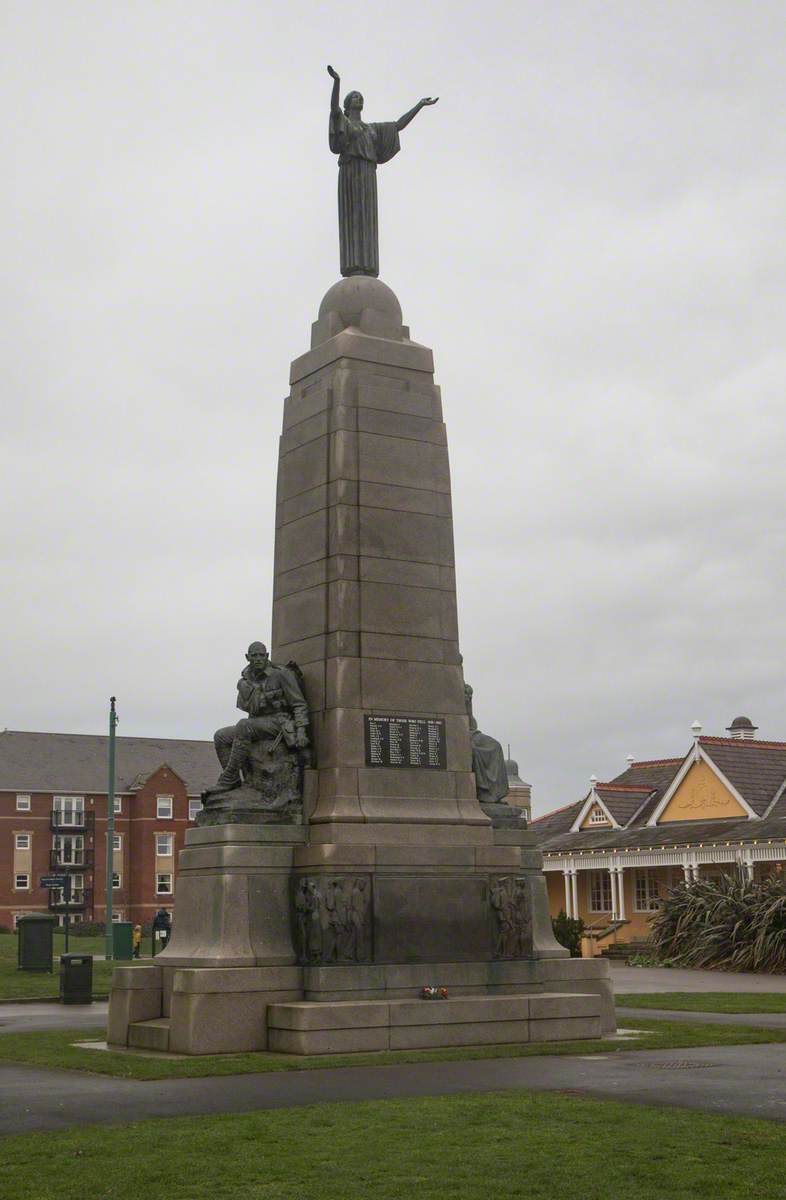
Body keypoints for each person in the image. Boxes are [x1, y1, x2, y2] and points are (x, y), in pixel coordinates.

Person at [327, 65, 438, 277]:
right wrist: (337, 82)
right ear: (348, 104)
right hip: (350, 173)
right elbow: (333, 109)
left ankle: (367, 264)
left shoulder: (372, 129)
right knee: (352, 217)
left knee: (367, 218)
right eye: (355, 96)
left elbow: (398, 125)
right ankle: (352, 264)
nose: (359, 98)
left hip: (368, 174)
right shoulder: (344, 122)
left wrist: (419, 106)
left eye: (361, 96)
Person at [205, 642, 310, 799]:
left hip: (279, 723)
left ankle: (227, 779)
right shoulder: (246, 679)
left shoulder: (281, 674)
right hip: (257, 722)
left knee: (244, 726)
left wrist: (301, 731)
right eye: (254, 656)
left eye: (262, 655)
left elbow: (299, 704)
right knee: (221, 736)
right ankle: (234, 781)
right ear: (248, 658)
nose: (258, 659)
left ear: (267, 656)